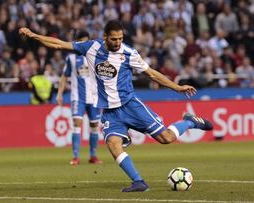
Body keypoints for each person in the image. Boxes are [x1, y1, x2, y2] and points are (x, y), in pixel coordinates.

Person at [19, 19, 213, 192]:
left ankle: (189, 122)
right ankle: (138, 181)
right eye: (114, 39)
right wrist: (34, 35)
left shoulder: (129, 53)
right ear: (105, 37)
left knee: (166, 138)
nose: (118, 43)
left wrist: (178, 88)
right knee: (113, 144)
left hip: (130, 105)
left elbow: (152, 74)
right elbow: (60, 45)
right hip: (111, 113)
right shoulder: (91, 47)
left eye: (120, 38)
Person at [56, 30, 102, 165]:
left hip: (93, 97)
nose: (84, 44)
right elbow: (64, 76)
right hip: (78, 97)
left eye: (86, 41)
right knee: (77, 125)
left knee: (94, 125)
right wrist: (59, 94)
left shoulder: (95, 57)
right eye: (81, 41)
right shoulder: (71, 58)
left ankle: (93, 156)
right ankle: (75, 157)